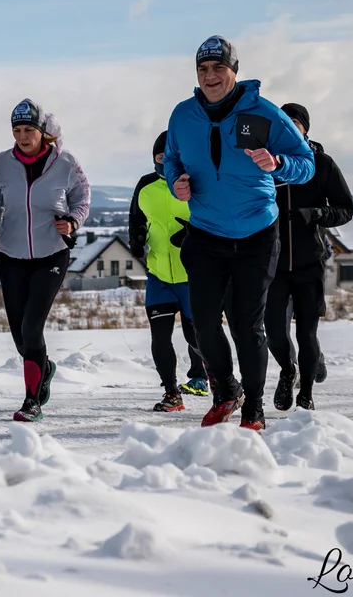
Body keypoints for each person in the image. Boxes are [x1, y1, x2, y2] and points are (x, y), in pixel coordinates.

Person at [164, 35, 314, 431]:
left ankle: (255, 408)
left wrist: (278, 162)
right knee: (203, 321)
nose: (210, 76)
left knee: (248, 325)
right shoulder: (182, 115)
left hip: (256, 235)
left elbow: (307, 164)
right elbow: (172, 161)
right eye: (203, 69)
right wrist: (174, 182)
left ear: (234, 71)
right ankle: (227, 391)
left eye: (218, 68)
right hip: (205, 234)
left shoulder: (263, 113)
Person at [0, 99, 90, 422]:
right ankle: (44, 367)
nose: (23, 136)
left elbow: (82, 196)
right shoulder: (2, 162)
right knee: (19, 333)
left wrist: (72, 221)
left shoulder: (66, 162)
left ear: (43, 132)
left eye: (29, 130)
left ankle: (31, 401)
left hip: (51, 253)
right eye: (17, 130)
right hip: (11, 253)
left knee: (32, 326)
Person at [265, 103, 353, 412]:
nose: (287, 127)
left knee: (306, 333)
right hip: (271, 265)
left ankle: (307, 394)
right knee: (274, 333)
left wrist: (315, 213)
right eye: (281, 123)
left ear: (304, 128)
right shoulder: (265, 163)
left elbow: (345, 209)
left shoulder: (322, 164)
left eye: (293, 122)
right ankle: (288, 372)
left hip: (309, 263)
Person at [129, 130, 208, 413]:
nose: (162, 162)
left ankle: (222, 383)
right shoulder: (146, 185)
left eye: (168, 157)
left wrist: (191, 234)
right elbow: (136, 219)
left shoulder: (194, 184)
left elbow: (212, 218)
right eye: (158, 157)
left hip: (192, 277)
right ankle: (172, 394)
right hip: (159, 275)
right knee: (159, 338)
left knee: (196, 337)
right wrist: (136, 241)